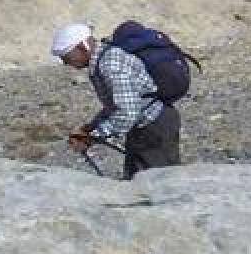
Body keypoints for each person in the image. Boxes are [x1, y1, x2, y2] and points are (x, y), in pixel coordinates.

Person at [52, 22, 181, 179]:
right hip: (147, 125)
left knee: (156, 185)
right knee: (139, 182)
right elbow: (116, 106)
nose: (66, 63)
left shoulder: (110, 64)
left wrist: (92, 137)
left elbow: (127, 113)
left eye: (67, 56)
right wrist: (90, 129)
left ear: (82, 47)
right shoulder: (105, 60)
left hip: (153, 127)